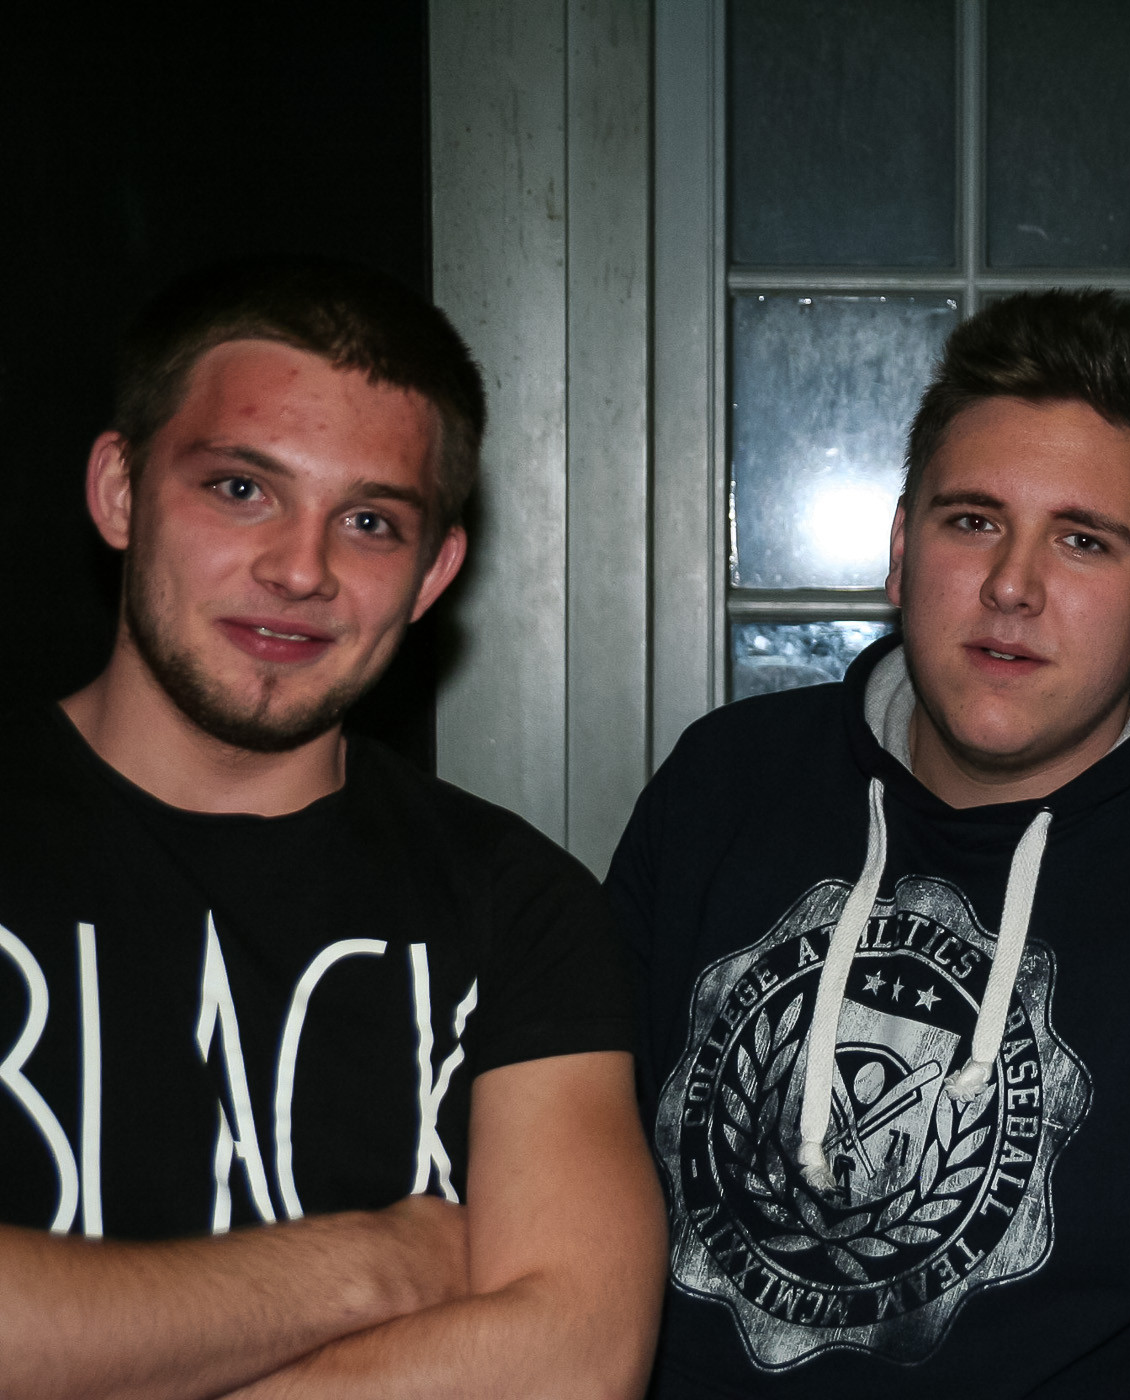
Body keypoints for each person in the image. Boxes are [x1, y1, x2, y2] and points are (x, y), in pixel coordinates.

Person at [610, 290, 1130, 1395]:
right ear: (899, 551)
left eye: (1082, 540)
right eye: (972, 521)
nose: (1013, 586)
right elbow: (576, 1194)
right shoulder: (721, 788)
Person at [0, 258, 665, 1399]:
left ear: (432, 572)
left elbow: (575, 1359)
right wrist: (373, 1266)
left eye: (368, 521)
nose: (299, 569)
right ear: (119, 490)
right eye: (240, 489)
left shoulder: (519, 904)